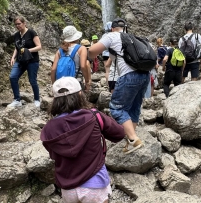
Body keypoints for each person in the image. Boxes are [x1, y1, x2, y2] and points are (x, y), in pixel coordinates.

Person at [40, 77, 125, 203]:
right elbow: (119, 134)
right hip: (94, 184)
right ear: (80, 94)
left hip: (68, 188)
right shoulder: (93, 116)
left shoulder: (48, 128)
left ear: (55, 100)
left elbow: (53, 154)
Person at [89, 18, 148, 154]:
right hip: (144, 75)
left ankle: (133, 139)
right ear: (125, 27)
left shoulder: (112, 36)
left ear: (112, 28)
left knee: (116, 108)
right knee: (134, 107)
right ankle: (131, 139)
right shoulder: (132, 37)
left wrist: (89, 57)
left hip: (129, 76)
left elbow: (92, 51)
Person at [8, 16, 42, 108]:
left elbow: (39, 46)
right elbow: (17, 47)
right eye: (16, 24)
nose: (17, 26)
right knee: (13, 77)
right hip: (20, 60)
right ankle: (17, 100)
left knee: (32, 80)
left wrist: (27, 50)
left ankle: (37, 99)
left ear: (24, 23)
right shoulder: (16, 35)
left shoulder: (31, 33)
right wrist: (13, 57)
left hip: (32, 60)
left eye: (19, 24)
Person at [53, 25, 91, 91]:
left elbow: (53, 69)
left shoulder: (59, 51)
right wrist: (87, 82)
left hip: (61, 84)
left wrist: (54, 84)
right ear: (76, 37)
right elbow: (83, 66)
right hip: (75, 83)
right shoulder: (81, 48)